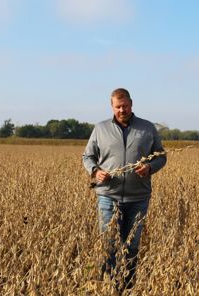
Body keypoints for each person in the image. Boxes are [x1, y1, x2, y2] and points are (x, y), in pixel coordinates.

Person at [82, 88, 167, 291]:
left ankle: (127, 288)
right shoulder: (100, 128)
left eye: (125, 106)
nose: (122, 110)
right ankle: (110, 287)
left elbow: (161, 156)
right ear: (112, 107)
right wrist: (95, 172)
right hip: (107, 197)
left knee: (131, 248)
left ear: (131, 104)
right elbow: (87, 157)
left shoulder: (147, 128)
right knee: (108, 246)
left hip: (138, 198)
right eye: (118, 107)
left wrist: (150, 167)